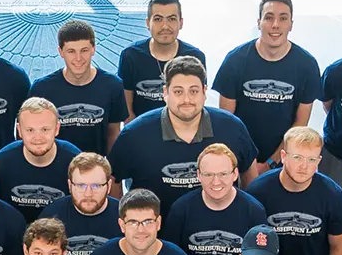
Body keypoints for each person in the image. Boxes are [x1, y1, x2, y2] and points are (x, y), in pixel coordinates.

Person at [109, 55, 260, 212]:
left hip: (221, 232)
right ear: (165, 93)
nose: (186, 99)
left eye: (193, 91)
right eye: (178, 92)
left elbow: (249, 176)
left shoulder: (232, 128)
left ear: (204, 91)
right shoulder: (134, 135)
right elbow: (113, 180)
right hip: (155, 234)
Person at [214, 0, 319, 164]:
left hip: (285, 161)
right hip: (240, 159)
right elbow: (227, 121)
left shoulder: (307, 65)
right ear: (259, 23)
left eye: (283, 18)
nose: (275, 25)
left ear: (291, 25)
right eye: (269, 18)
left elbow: (300, 125)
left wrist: (271, 163)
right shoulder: (235, 60)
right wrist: (248, 164)